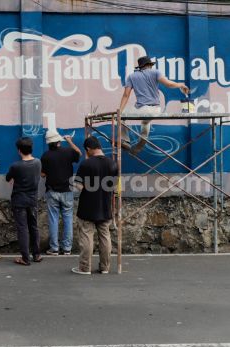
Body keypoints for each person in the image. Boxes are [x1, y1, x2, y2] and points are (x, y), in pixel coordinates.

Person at [119, 55, 189, 154]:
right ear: (150, 65)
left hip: (141, 109)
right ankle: (140, 146)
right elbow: (169, 84)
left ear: (140, 67)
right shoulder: (156, 72)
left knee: (122, 115)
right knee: (145, 123)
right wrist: (181, 85)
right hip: (156, 109)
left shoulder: (132, 76)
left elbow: (126, 95)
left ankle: (125, 140)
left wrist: (119, 112)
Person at [71, 136, 118, 275]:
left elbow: (79, 186)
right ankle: (105, 267)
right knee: (105, 236)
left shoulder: (86, 164)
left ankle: (85, 268)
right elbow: (115, 187)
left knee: (86, 236)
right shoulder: (113, 164)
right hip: (105, 206)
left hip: (87, 206)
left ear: (88, 149)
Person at [40, 130, 81, 256]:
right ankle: (67, 248)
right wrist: (69, 141)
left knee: (53, 220)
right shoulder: (68, 152)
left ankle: (54, 248)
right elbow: (79, 153)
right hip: (67, 191)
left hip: (52, 191)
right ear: (59, 141)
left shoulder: (45, 156)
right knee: (68, 219)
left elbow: (42, 174)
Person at [5, 137, 42, 266]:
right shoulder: (38, 162)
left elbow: (8, 178)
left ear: (19, 150)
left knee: (22, 229)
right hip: (32, 200)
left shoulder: (16, 166)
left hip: (19, 200)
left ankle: (25, 258)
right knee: (33, 226)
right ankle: (36, 254)